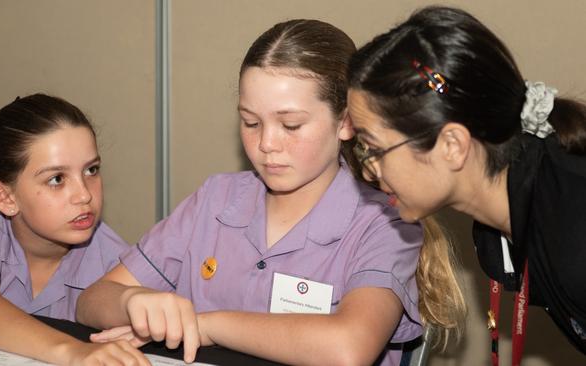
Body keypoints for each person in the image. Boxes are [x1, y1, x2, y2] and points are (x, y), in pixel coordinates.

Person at [77, 19, 465, 365]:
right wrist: (132, 301)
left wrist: (206, 325)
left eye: (291, 126)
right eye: (250, 122)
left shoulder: (384, 223)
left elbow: (348, 349)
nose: (266, 144)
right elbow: (90, 302)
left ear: (346, 121)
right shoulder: (216, 200)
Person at [346, 5, 586, 362]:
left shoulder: (573, 232)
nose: (368, 170)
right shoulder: (505, 221)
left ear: (452, 146)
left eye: (375, 149)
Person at [0, 94, 150, 365]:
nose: (84, 195)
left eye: (91, 170)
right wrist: (73, 351)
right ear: (5, 198)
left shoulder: (114, 260)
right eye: (57, 179)